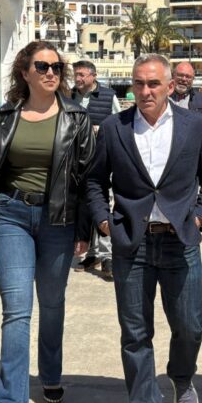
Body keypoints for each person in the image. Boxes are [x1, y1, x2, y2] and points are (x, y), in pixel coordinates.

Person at [87, 54, 202, 403]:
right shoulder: (114, 127)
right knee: (135, 332)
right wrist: (104, 222)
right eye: (138, 84)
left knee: (190, 325)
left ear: (169, 86)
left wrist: (200, 217)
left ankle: (181, 376)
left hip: (181, 241)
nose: (145, 91)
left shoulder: (195, 126)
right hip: (132, 243)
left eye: (153, 84)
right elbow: (95, 181)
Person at [0, 41, 94, 403]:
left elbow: (86, 177)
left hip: (59, 219)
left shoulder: (76, 117)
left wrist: (85, 230)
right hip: (11, 214)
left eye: (56, 66)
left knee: (52, 303)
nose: (51, 72)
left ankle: (51, 373)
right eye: (42, 66)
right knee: (17, 311)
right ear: (25, 72)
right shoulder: (6, 116)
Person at [70, 60, 120, 280]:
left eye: (82, 74)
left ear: (93, 75)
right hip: (75, 162)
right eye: (76, 74)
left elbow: (119, 124)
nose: (78, 78)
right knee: (83, 209)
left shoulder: (108, 96)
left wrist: (102, 130)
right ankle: (92, 254)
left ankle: (108, 256)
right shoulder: (69, 96)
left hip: (101, 161)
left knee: (103, 205)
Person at [169, 61, 202, 131]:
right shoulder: (163, 97)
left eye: (188, 77)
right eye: (180, 75)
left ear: (193, 79)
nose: (184, 79)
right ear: (173, 76)